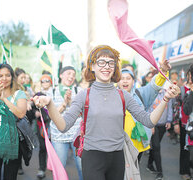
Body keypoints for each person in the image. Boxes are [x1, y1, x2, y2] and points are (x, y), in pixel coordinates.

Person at [32, 45, 180, 180]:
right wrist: (50, 103)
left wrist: (166, 98)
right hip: (92, 158)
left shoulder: (123, 96)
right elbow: (63, 126)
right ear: (93, 66)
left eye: (110, 62)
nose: (106, 66)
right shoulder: (84, 95)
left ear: (115, 67)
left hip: (117, 158)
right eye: (101, 62)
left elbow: (148, 121)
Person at [117, 62, 169, 163]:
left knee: (133, 171)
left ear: (133, 81)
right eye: (122, 78)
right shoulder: (111, 96)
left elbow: (154, 86)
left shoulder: (140, 93)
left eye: (128, 78)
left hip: (137, 144)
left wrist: (163, 71)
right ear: (117, 81)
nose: (125, 81)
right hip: (118, 144)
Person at [0, 63, 27, 180]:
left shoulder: (19, 93)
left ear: (12, 77)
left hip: (13, 143)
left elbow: (20, 113)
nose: (4, 78)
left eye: (7, 75)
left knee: (10, 176)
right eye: (0, 76)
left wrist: (4, 99)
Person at [50, 66, 83, 180]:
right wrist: (64, 103)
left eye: (73, 75)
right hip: (59, 136)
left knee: (82, 167)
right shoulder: (52, 91)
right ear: (61, 75)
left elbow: (82, 112)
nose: (71, 77)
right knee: (59, 169)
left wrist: (71, 103)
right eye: (68, 73)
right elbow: (52, 115)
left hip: (77, 136)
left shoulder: (79, 91)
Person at [147, 89, 173, 180]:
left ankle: (149, 164)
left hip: (163, 124)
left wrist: (169, 120)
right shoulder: (151, 93)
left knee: (155, 146)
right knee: (157, 147)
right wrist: (150, 124)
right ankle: (160, 172)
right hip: (153, 124)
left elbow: (170, 108)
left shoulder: (167, 92)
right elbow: (148, 108)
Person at [177, 64, 193, 180]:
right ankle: (184, 171)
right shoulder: (184, 90)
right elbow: (180, 108)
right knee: (184, 150)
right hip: (185, 125)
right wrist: (175, 123)